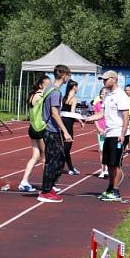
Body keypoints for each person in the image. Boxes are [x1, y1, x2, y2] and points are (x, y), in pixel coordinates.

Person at [85, 71, 130, 202]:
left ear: (114, 79)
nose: (103, 82)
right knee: (109, 163)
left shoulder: (121, 96)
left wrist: (122, 134)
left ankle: (116, 191)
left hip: (118, 134)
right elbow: (101, 114)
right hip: (109, 133)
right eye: (102, 79)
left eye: (105, 79)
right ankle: (110, 188)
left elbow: (126, 116)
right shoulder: (107, 95)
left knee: (115, 164)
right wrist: (87, 118)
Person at [37, 65, 73, 203]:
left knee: (58, 158)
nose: (68, 78)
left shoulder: (48, 88)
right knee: (54, 161)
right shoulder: (56, 92)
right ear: (63, 75)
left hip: (50, 128)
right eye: (68, 75)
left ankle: (49, 187)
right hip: (52, 130)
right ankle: (45, 191)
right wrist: (65, 131)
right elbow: (54, 113)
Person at [18, 75, 51, 192]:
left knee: (35, 156)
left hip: (32, 128)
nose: (49, 87)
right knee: (45, 158)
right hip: (40, 128)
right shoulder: (41, 95)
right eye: (47, 85)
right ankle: (47, 184)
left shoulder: (32, 95)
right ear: (41, 85)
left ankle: (24, 181)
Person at [60, 80, 83, 175]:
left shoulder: (64, 98)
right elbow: (72, 113)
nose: (77, 89)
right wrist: (81, 120)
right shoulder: (74, 99)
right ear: (74, 87)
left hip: (61, 121)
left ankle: (70, 168)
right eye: (77, 87)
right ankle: (64, 166)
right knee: (67, 147)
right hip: (68, 123)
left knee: (65, 146)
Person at [92, 88, 108, 179]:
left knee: (109, 151)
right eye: (102, 94)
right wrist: (99, 129)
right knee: (102, 151)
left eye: (105, 94)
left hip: (109, 131)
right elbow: (95, 117)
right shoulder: (97, 105)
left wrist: (107, 130)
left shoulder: (110, 104)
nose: (104, 95)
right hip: (100, 131)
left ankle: (108, 170)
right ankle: (103, 170)